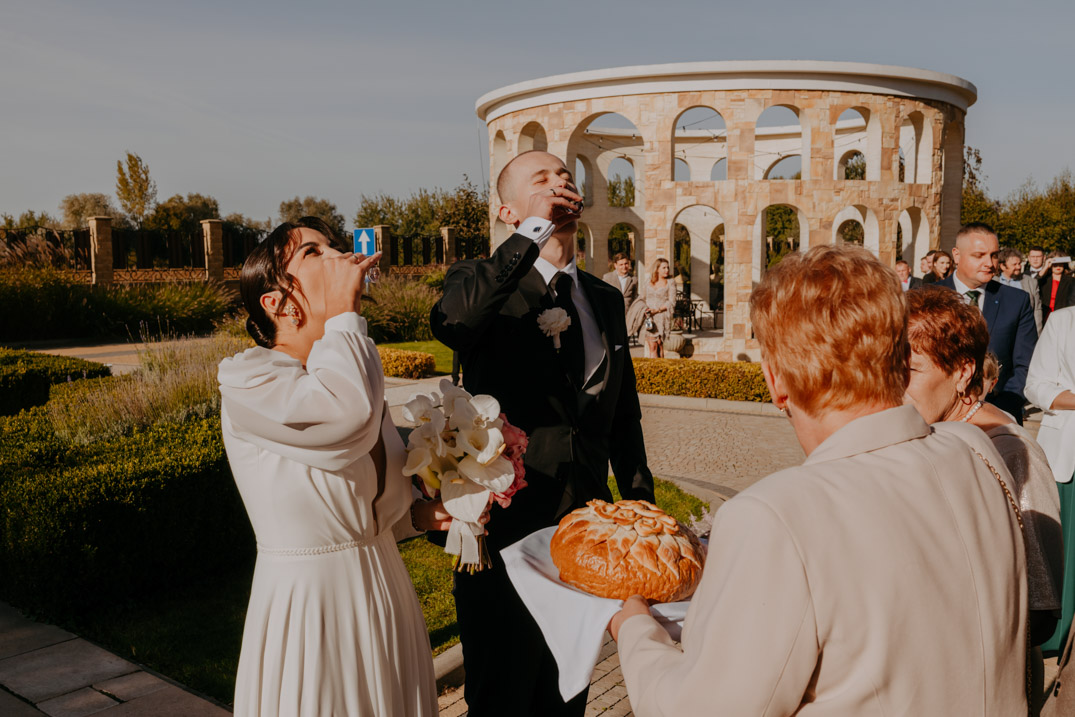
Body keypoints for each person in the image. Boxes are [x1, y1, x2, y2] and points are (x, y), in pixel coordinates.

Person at [608, 244, 1029, 715]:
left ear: (775, 381)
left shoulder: (773, 515)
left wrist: (634, 629)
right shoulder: (974, 449)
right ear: (899, 357)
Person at [430, 150, 655, 717]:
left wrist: (642, 509)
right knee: (501, 698)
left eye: (566, 176)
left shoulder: (604, 298)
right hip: (505, 532)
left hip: (584, 536)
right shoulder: (481, 282)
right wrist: (534, 232)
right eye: (543, 178)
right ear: (508, 211)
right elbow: (454, 321)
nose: (561, 183)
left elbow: (622, 416)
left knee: (567, 695)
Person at [218, 217, 451, 716]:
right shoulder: (249, 380)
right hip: (314, 602)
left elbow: (365, 497)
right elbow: (347, 422)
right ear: (277, 302)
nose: (339, 256)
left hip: (384, 585)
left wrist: (419, 513)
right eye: (313, 252)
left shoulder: (345, 368)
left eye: (334, 246)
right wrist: (345, 315)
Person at [903, 288, 1063, 712]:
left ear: (962, 373)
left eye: (912, 370)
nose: (896, 385)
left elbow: (1041, 608)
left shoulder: (1012, 453)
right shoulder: (920, 434)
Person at [938, 223, 1037, 423]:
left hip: (998, 417)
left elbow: (1026, 364)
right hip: (938, 416)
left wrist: (998, 412)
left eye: (994, 255)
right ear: (956, 255)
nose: (989, 263)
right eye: (979, 255)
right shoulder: (928, 296)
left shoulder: (1016, 301)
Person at [1026, 305, 1075, 658]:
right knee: (1065, 549)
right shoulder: (1063, 321)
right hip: (1068, 454)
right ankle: (1057, 635)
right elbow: (1036, 386)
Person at [636, 257, 677, 357]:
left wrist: (658, 310)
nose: (667, 270)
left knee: (660, 345)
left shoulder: (670, 282)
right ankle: (652, 365)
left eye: (668, 267)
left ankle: (660, 365)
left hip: (662, 317)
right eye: (664, 268)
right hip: (649, 317)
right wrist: (645, 310)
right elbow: (642, 297)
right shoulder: (648, 281)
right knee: (652, 346)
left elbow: (672, 302)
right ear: (657, 269)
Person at [998, 247, 1044, 332]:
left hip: (1024, 331)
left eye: (1019, 263)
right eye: (1014, 264)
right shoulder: (993, 282)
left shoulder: (1031, 282)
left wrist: (1037, 333)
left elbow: (1037, 310)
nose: (1018, 267)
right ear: (1003, 266)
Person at [1038, 251, 1075, 324]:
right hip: (1044, 315)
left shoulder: (1071, 281)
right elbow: (1034, 283)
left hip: (1062, 316)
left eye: (1060, 264)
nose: (1058, 266)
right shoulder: (1044, 280)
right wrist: (1045, 267)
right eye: (1055, 264)